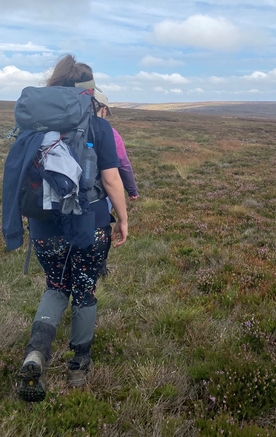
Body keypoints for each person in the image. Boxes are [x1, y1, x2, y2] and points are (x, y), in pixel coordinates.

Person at [18, 54, 128, 402]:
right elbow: (111, 179)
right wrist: (123, 219)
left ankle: (36, 353)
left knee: (55, 286)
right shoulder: (99, 127)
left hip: (43, 224)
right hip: (90, 223)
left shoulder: (34, 126)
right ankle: (78, 366)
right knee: (83, 290)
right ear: (89, 91)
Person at [94, 90, 138, 276]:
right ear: (103, 109)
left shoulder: (58, 128)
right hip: (98, 195)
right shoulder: (109, 133)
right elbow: (123, 165)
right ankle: (99, 267)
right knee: (100, 229)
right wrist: (131, 190)